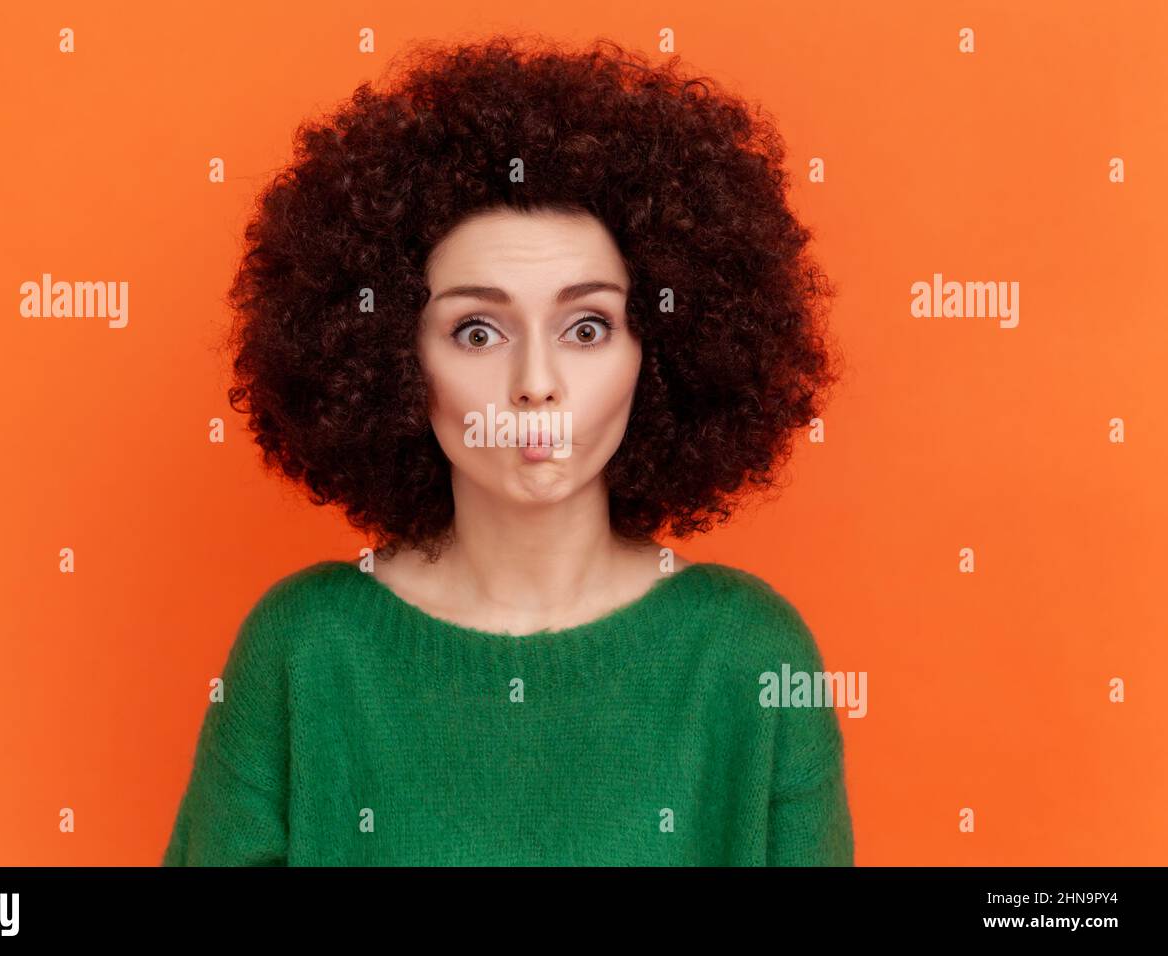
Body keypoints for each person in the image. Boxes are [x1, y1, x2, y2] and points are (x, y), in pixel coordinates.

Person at [162, 33, 853, 866]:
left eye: (588, 327)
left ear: (660, 350)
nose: (536, 383)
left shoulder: (750, 656)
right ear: (395, 357)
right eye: (478, 330)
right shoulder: (305, 649)